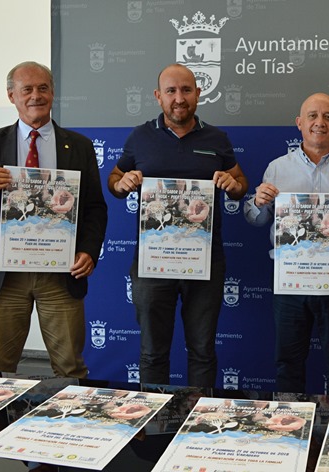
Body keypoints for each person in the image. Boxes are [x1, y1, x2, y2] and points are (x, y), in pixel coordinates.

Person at [0, 61, 108, 378]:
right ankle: (0, 413)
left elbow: (95, 207)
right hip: (4, 276)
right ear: (11, 96)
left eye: (43, 88)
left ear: (53, 93)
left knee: (70, 368)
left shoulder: (79, 146)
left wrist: (89, 251)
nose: (35, 96)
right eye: (26, 89)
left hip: (61, 272)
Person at [108, 64, 248, 388]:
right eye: (171, 91)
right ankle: (154, 416)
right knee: (152, 353)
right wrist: (120, 183)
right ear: (158, 96)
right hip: (153, 262)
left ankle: (198, 413)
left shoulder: (217, 138)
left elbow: (240, 182)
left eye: (186, 90)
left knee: (202, 351)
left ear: (198, 94)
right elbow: (115, 178)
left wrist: (234, 185)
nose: (179, 98)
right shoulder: (140, 136)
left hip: (205, 261)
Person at [244, 93, 329, 396]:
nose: (320, 122)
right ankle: (289, 421)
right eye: (312, 116)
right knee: (288, 364)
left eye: (328, 117)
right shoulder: (277, 168)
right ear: (299, 123)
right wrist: (258, 203)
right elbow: (256, 220)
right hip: (290, 279)